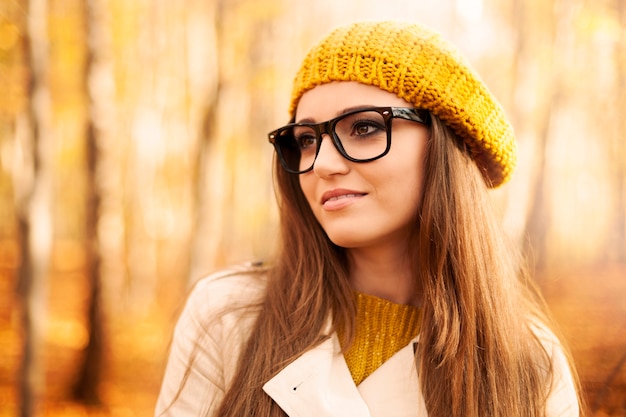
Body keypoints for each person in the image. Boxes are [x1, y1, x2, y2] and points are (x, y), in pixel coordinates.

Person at [155, 20, 582, 417]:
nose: (321, 163)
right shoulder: (227, 315)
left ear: (447, 147)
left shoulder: (532, 364)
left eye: (363, 127)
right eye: (306, 139)